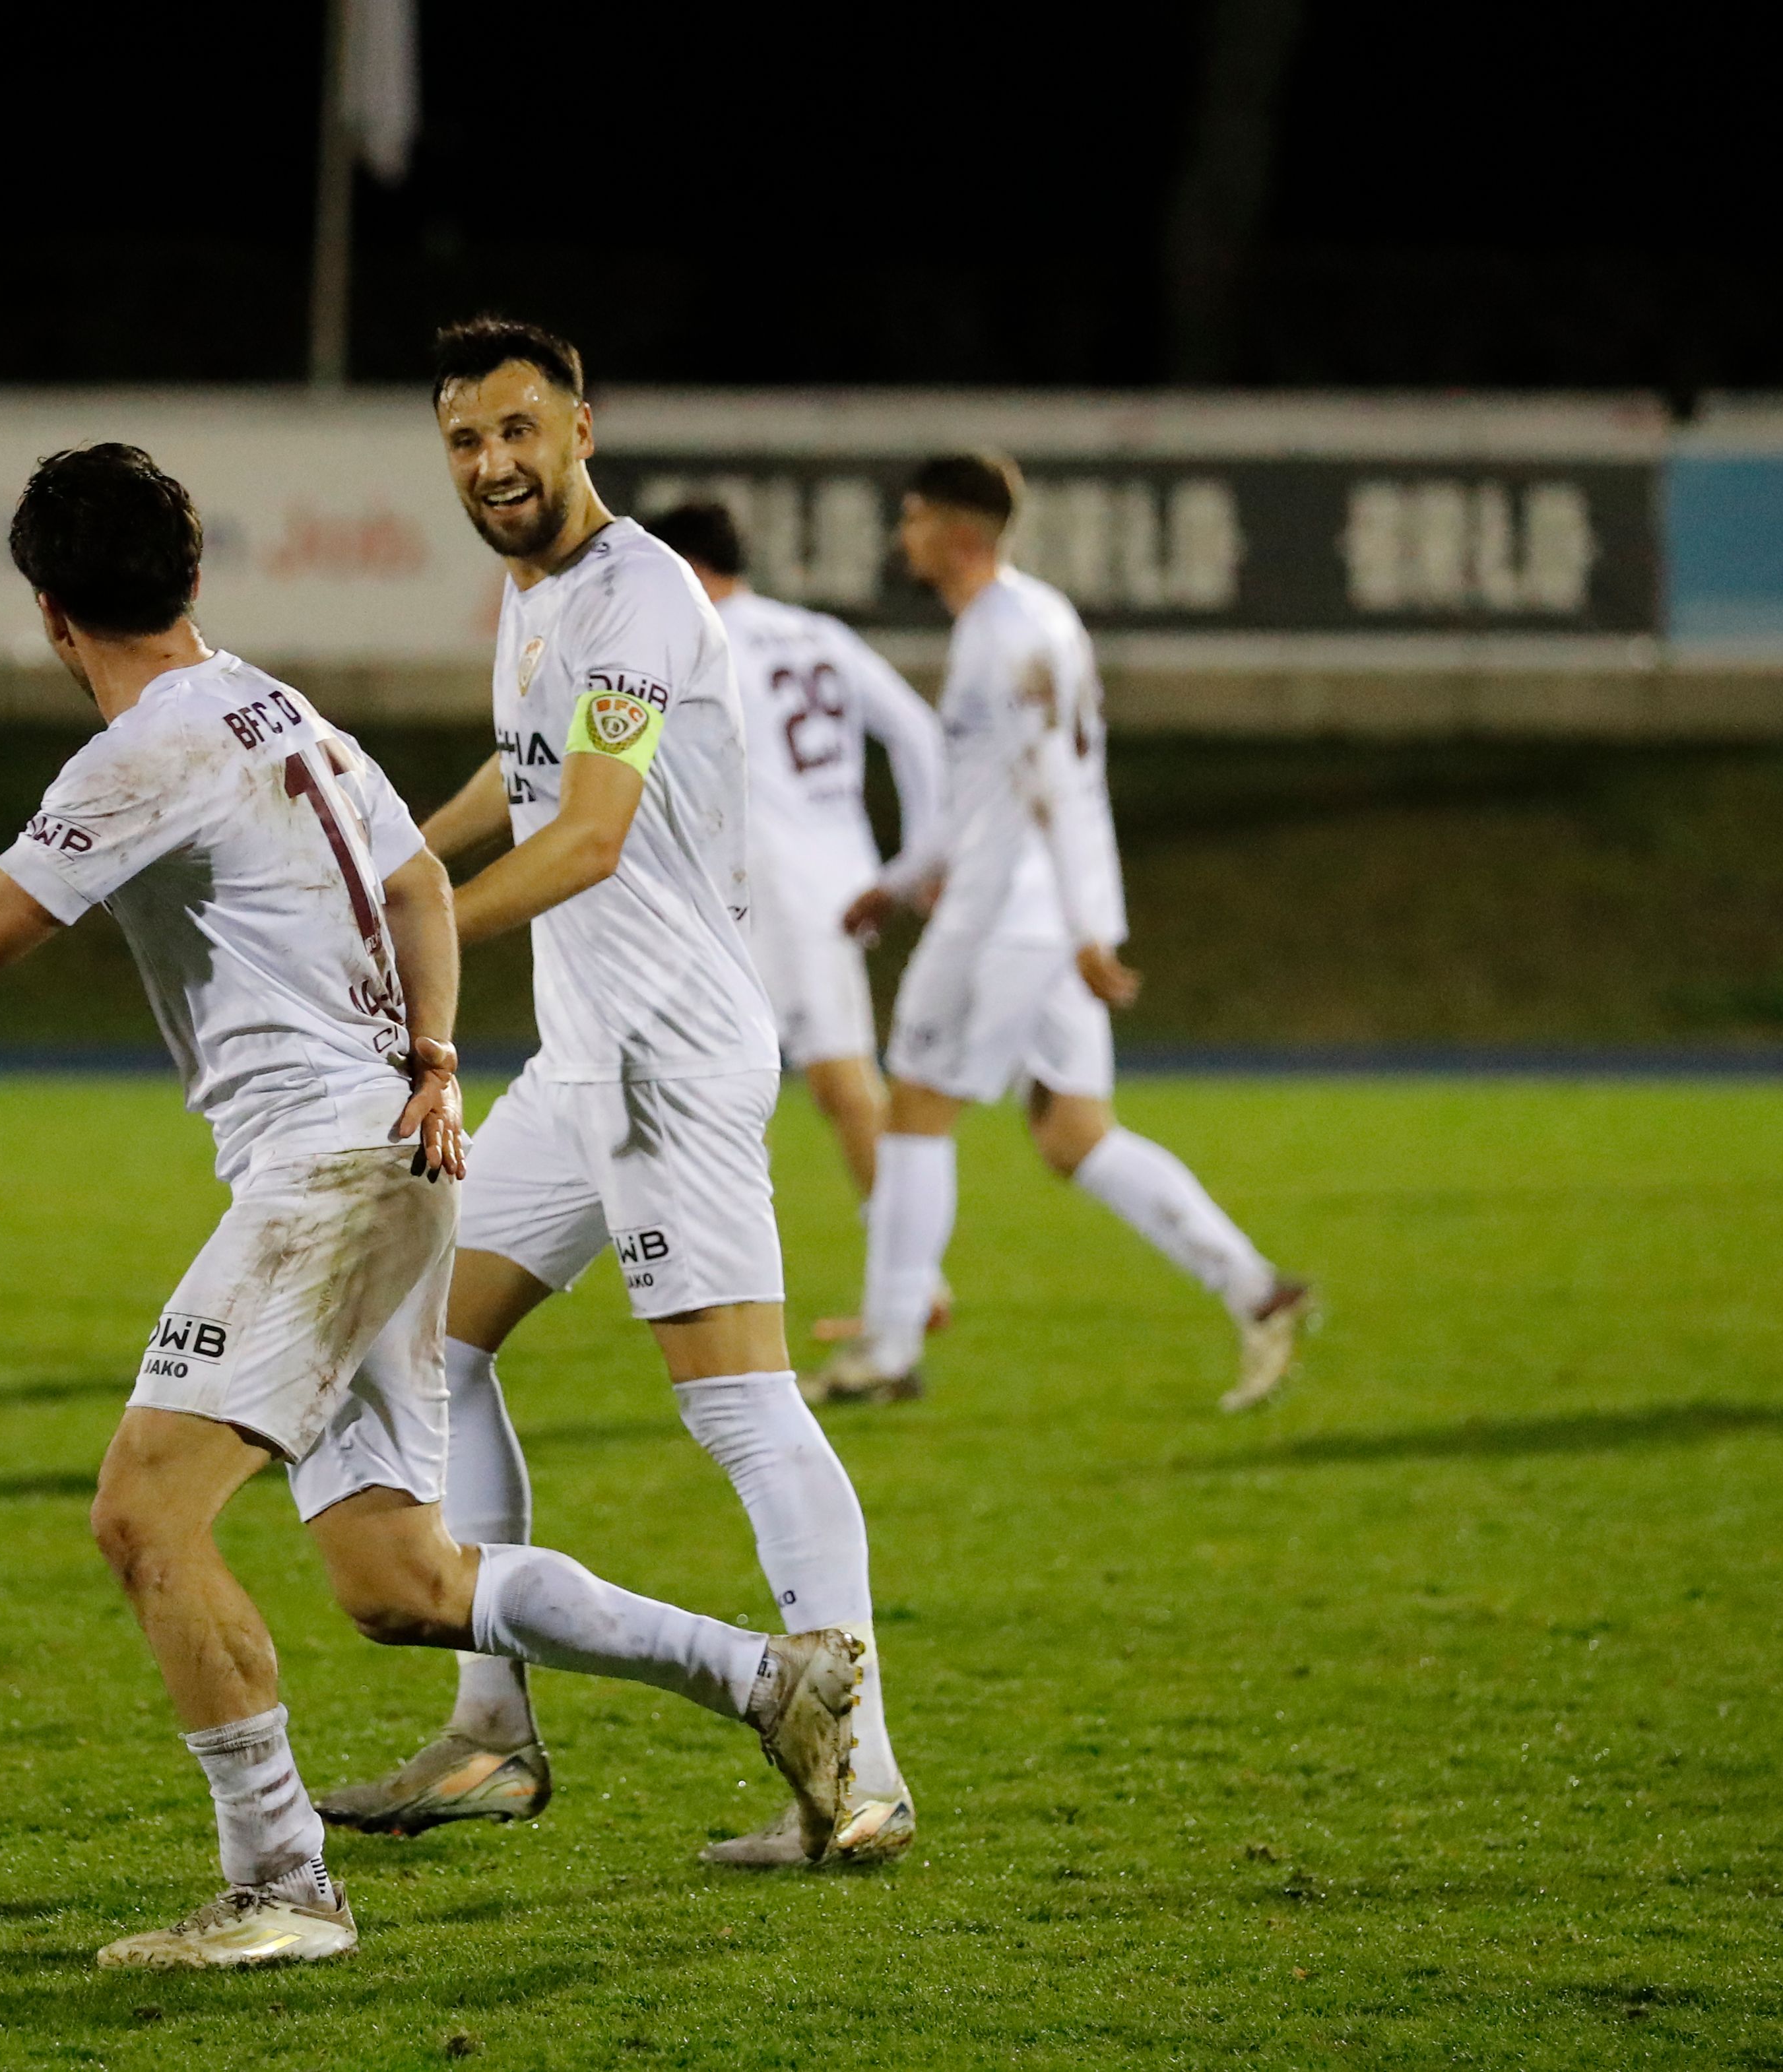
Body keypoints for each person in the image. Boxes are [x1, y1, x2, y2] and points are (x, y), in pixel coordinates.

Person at [0, 442, 867, 1969]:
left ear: (48, 614)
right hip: (398, 1153)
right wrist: (429, 1053)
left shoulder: (146, 748)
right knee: (397, 1578)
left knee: (145, 1514)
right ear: (192, 576)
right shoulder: (284, 709)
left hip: (333, 1180)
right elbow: (418, 880)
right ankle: (768, 1677)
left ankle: (283, 1880)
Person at [314, 320, 913, 1869]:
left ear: (580, 426)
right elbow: (516, 785)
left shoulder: (636, 591)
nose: (493, 464)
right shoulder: (531, 599)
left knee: (737, 1402)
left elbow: (584, 836)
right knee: (427, 1349)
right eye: (463, 442)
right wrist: (391, 867)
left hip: (667, 1056)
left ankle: (860, 1771)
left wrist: (418, 937)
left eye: (519, 429)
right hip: (580, 1064)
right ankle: (487, 1733)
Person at [813, 454, 1313, 1413]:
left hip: (1004, 921)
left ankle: (886, 1347)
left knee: (915, 1108)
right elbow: (1007, 792)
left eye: (915, 520)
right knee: (1075, 1135)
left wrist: (1091, 926)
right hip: (1036, 915)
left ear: (959, 534)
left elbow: (1052, 791)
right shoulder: (1036, 620)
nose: (901, 537)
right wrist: (903, 880)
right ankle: (1254, 1288)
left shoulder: (1004, 639)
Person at [643, 500, 946, 1204]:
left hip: (763, 882)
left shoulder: (697, 638)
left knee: (771, 1080)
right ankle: (895, 1278)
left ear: (684, 566)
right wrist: (922, 854)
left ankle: (902, 1283)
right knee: (792, 1078)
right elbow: (918, 733)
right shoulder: (819, 633)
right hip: (837, 873)